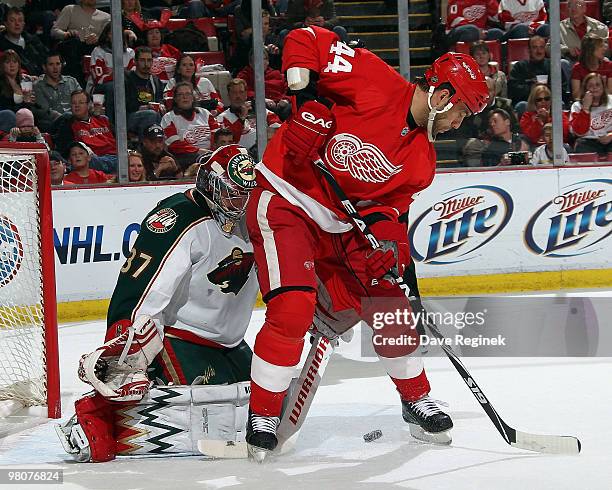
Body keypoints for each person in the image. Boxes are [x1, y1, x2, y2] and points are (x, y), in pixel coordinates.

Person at [243, 26, 489, 460]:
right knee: (293, 309)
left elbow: (385, 210)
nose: (457, 124)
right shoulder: (372, 76)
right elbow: (305, 38)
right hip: (286, 199)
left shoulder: (421, 161)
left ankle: (416, 398)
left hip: (343, 224)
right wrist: (306, 104)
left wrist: (388, 246)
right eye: (461, 112)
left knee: (391, 303)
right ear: (442, 94)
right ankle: (263, 413)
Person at [56, 145, 259, 463]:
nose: (240, 201)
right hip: (183, 336)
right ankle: (97, 412)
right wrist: (126, 347)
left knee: (259, 404)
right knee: (209, 413)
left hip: (230, 342)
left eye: (245, 193)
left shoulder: (254, 214)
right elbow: (142, 286)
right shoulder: (179, 218)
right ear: (209, 184)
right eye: (232, 192)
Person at [55, 89, 118, 173]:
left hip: (115, 156)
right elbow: (64, 151)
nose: (76, 105)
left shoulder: (103, 119)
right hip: (93, 160)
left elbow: (119, 139)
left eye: (81, 102)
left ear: (88, 105)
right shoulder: (68, 124)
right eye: (74, 103)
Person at [160, 81, 220, 169]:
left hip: (211, 153)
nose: (185, 97)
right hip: (186, 157)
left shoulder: (205, 113)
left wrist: (212, 151)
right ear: (175, 99)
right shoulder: (168, 118)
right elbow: (174, 144)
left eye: (188, 94)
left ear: (193, 97)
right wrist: (198, 151)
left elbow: (217, 135)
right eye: (180, 94)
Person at [51, 0, 111, 83]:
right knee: (73, 45)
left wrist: (98, 39)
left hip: (95, 50)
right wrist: (66, 34)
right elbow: (54, 31)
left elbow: (109, 38)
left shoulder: (106, 17)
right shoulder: (70, 9)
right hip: (73, 48)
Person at [216, 78, 281, 149]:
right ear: (228, 95)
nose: (238, 96)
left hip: (264, 153)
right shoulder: (222, 118)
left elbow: (279, 129)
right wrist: (241, 119)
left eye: (241, 92)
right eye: (234, 92)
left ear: (246, 94)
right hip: (239, 156)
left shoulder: (261, 112)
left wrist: (268, 131)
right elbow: (228, 140)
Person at [33, 53, 82, 133]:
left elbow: (84, 100)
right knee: (67, 117)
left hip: (75, 121)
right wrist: (70, 119)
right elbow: (45, 112)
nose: (55, 68)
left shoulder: (71, 81)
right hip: (52, 125)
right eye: (51, 64)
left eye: (58, 64)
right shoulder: (38, 86)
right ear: (44, 67)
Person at [124, 46, 164, 139]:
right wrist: (143, 107)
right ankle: (146, 147)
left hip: (153, 114)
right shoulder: (127, 78)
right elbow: (123, 105)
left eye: (149, 60)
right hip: (130, 116)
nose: (146, 64)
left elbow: (160, 99)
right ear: (135, 61)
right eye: (142, 60)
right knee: (151, 114)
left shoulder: (155, 80)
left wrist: (161, 105)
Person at [570, 72, 612, 155]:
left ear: (603, 87)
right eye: (590, 85)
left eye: (598, 85)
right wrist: (585, 108)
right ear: (585, 89)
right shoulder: (577, 106)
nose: (594, 88)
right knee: (581, 146)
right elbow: (578, 132)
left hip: (610, 138)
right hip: (588, 141)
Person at [0, 7, 48, 76]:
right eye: (12, 20)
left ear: (24, 24)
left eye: (20, 20)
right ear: (6, 24)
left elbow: (47, 57)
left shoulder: (33, 40)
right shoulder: (2, 46)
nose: (17, 24)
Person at [88, 22, 136, 92]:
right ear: (106, 36)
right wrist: (122, 74)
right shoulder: (98, 51)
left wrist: (113, 73)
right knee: (112, 87)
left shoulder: (130, 53)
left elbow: (133, 75)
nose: (116, 36)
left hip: (125, 85)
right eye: (112, 34)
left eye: (118, 33)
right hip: (100, 87)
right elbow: (99, 79)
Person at [559, 0, 608, 65]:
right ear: (567, 9)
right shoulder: (558, 27)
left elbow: (606, 49)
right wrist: (566, 50)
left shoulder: (600, 27)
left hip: (596, 62)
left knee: (606, 61)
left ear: (584, 9)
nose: (574, 9)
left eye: (577, 5)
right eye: (570, 6)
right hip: (572, 62)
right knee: (563, 63)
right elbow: (549, 47)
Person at [571, 34, 612, 100]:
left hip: (605, 103)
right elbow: (576, 96)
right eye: (601, 46)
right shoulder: (577, 68)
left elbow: (610, 92)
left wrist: (602, 85)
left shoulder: (609, 66)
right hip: (585, 102)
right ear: (590, 50)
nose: (605, 49)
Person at [0, 50, 35, 117]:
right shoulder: (1, 84)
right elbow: (5, 109)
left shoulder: (25, 81)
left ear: (19, 64)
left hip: (26, 118)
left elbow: (30, 107)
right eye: (7, 62)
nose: (12, 65)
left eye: (15, 62)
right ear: (2, 65)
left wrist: (29, 102)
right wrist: (23, 101)